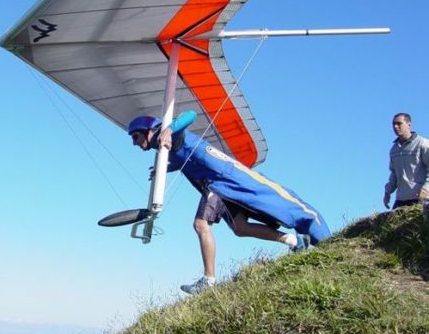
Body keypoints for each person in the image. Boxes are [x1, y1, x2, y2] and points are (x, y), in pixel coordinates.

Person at [128, 111, 330, 295]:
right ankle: (294, 242)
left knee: (200, 224)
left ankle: (208, 280)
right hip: (219, 187)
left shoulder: (171, 135)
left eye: (135, 137)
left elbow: (190, 115)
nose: (134, 143)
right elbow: (184, 159)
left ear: (148, 131)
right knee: (239, 228)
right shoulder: (167, 149)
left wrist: (169, 129)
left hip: (219, 181)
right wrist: (166, 168)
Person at [383, 113, 429, 209]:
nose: (395, 127)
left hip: (421, 197)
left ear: (409, 124)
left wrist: (426, 189)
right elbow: (394, 174)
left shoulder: (422, 144)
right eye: (393, 124)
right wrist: (388, 191)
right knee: (390, 223)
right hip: (401, 198)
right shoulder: (394, 150)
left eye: (399, 123)